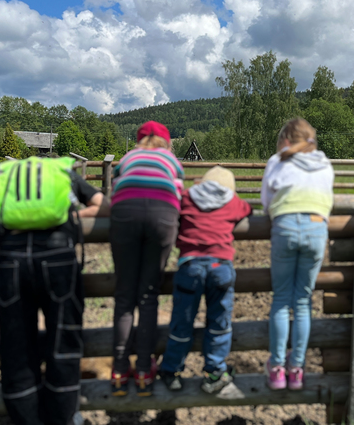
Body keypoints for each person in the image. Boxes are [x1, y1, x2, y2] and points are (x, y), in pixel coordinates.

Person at [0, 156, 104, 425]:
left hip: (13, 263)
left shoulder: (9, 176)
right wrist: (72, 214)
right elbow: (103, 205)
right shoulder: (64, 172)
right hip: (59, 261)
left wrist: (4, 216)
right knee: (63, 345)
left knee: (16, 349)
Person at [159, 166, 252, 393]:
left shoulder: (187, 196)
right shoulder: (233, 201)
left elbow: (173, 206)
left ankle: (171, 371)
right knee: (219, 322)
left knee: (182, 321)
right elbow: (247, 209)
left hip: (190, 266)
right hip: (220, 266)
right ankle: (214, 372)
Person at [108, 121, 184, 396]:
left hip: (125, 213)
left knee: (125, 295)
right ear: (166, 141)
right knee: (148, 295)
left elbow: (115, 188)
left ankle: (118, 370)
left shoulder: (128, 158)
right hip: (162, 214)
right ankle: (143, 370)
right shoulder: (171, 160)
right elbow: (178, 191)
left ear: (140, 140)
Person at [261, 118, 333, 391]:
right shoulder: (324, 163)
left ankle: (277, 369)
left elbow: (266, 203)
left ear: (286, 141)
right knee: (302, 301)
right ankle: (297, 370)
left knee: (281, 299)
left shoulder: (278, 160)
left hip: (286, 227)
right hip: (316, 229)